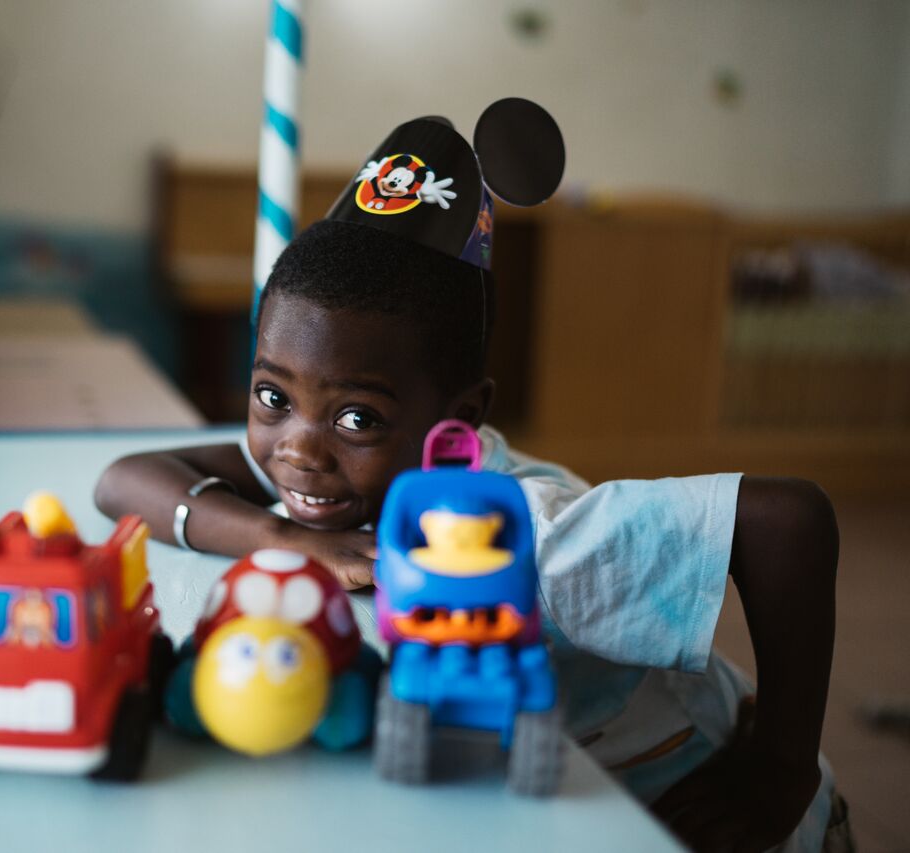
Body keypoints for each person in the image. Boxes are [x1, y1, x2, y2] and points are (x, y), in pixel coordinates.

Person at [94, 103, 845, 853]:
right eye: (272, 397)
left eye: (357, 416)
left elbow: (789, 520)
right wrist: (279, 533)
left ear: (459, 419)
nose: (297, 451)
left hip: (707, 802)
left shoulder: (528, 532)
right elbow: (123, 481)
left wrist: (779, 769)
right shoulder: (332, 473)